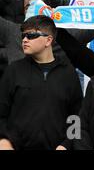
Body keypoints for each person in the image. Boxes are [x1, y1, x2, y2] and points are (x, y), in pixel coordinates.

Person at [0, 15, 82, 150]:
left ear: (48, 40)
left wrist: (66, 144)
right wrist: (3, 140)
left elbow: (76, 117)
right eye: (23, 36)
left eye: (31, 35)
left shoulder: (68, 73)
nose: (25, 40)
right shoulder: (14, 70)